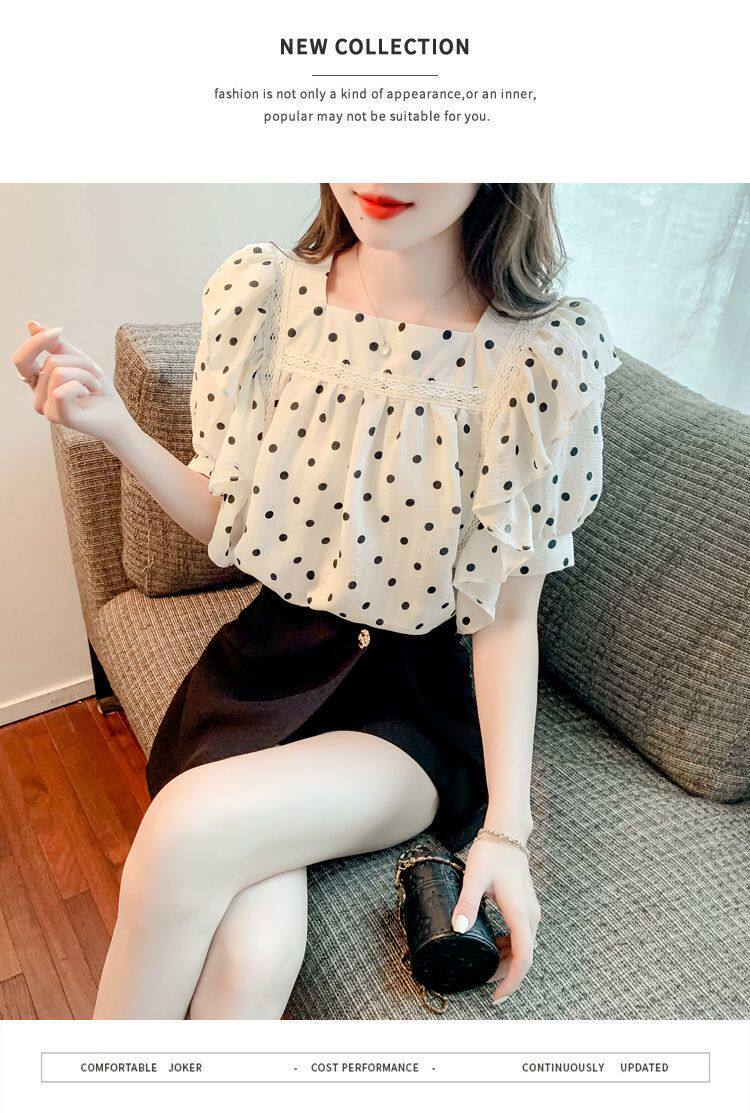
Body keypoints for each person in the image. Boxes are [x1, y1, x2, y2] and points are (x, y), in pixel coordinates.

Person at [12, 183, 621, 1019]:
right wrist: (116, 424)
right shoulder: (266, 298)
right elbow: (230, 520)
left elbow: (507, 618)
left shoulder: (535, 359)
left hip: (405, 710)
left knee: (184, 831)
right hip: (263, 667)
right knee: (257, 955)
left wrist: (506, 830)